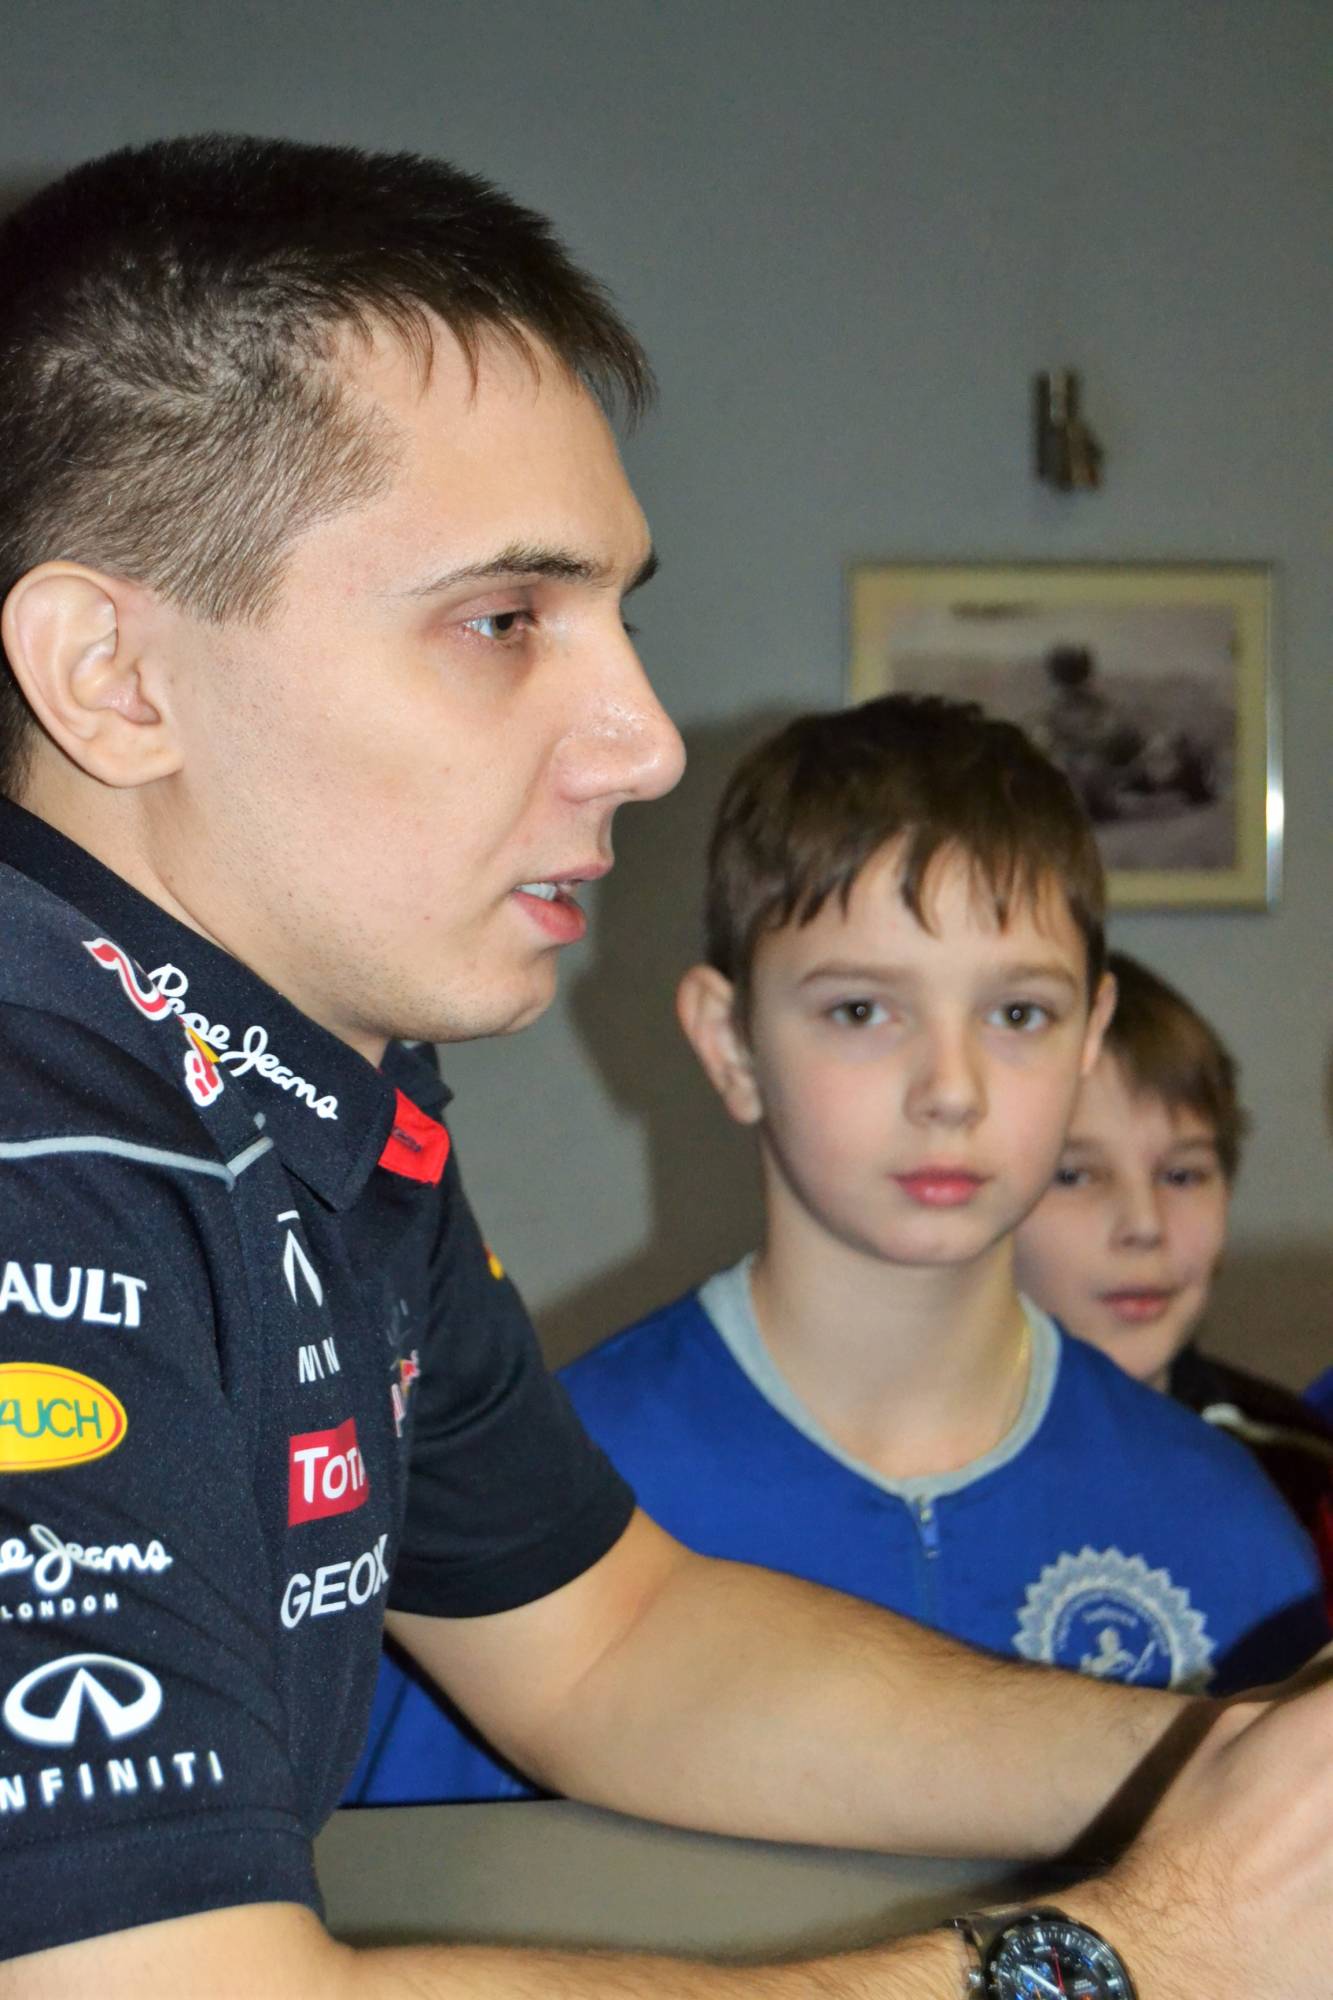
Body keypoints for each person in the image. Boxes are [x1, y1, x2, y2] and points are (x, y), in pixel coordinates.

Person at [0, 134, 1330, 2000]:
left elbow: (616, 1649)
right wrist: (1143, 1949)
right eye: (502, 622)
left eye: (614, 615)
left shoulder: (295, 1104)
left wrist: (1234, 1776)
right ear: (113, 675)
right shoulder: (45, 1161)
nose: (639, 737)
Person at [349, 698, 1325, 1807]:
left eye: (1017, 1014)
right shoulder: (516, 1512)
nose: (950, 1090)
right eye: (861, 1010)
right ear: (732, 1043)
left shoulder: (1224, 1528)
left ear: (1089, 1038)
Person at [1014, 950, 1333, 1607]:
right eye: (1074, 1175)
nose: (1143, 1224)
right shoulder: (914, 1476)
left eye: (1182, 1174)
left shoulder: (1299, 1470)